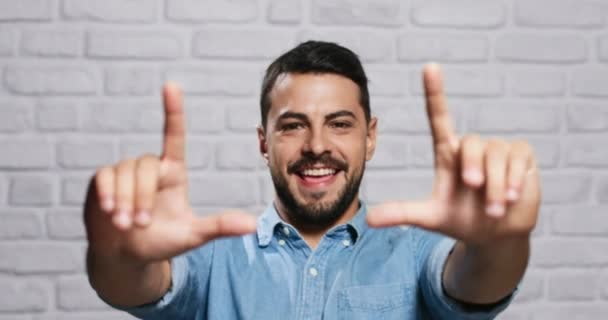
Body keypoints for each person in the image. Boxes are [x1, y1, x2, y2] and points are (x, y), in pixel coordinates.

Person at [84, 41, 540, 319]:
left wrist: (497, 242)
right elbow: (134, 284)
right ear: (264, 142)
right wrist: (117, 255)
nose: (317, 145)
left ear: (370, 137)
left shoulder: (417, 252)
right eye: (293, 125)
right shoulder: (212, 260)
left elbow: (476, 284)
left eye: (340, 123)